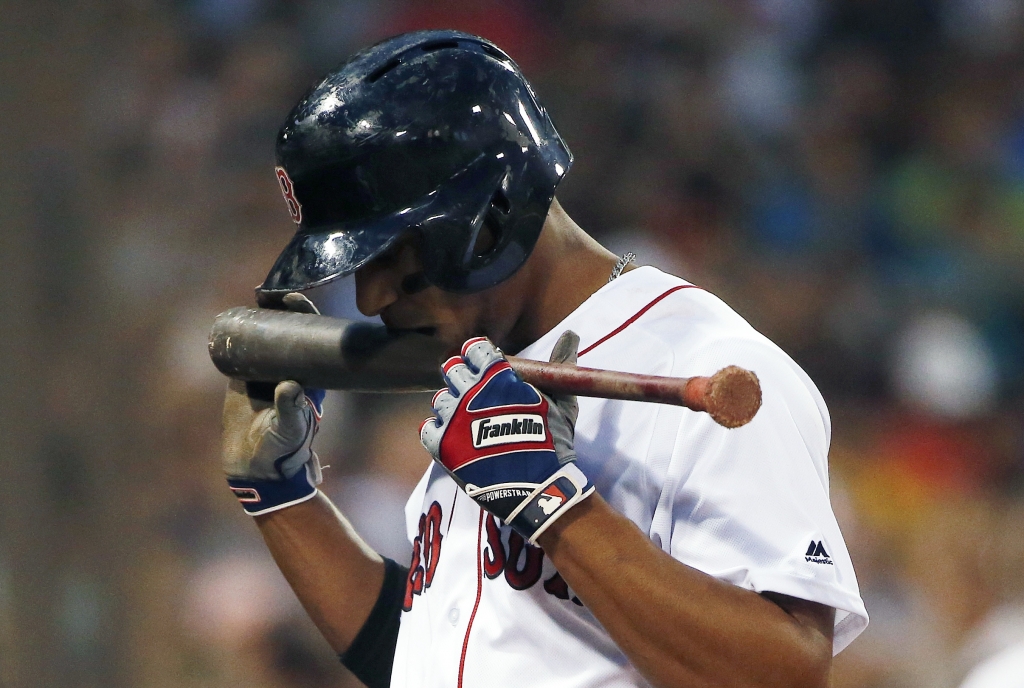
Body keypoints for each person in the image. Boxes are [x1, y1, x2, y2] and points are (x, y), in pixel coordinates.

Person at [220, 30, 868, 688]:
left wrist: (557, 508)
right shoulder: (487, 377)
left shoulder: (705, 367)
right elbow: (430, 662)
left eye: (390, 252)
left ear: (490, 214)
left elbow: (785, 673)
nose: (371, 295)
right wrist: (284, 500)